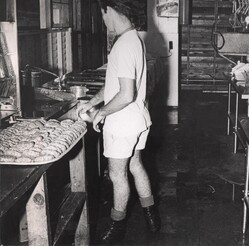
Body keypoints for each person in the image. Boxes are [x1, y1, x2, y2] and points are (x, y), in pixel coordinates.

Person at [77, 0, 160, 244]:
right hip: (138, 120)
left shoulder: (123, 46)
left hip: (122, 124)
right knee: (136, 166)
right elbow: (116, 84)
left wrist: (101, 113)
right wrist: (93, 101)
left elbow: (125, 94)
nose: (104, 21)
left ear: (109, 10)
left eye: (102, 15)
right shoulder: (133, 39)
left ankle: (117, 226)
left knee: (117, 175)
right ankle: (152, 217)